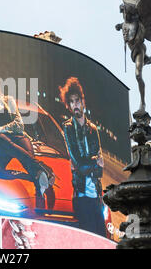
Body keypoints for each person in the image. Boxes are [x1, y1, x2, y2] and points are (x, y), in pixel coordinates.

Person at [0, 65, 55, 208]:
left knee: (27, 148)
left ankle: (39, 192)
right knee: (1, 140)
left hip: (16, 138)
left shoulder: (8, 100)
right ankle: (43, 170)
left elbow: (19, 125)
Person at [59, 77, 106, 236]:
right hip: (81, 195)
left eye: (77, 101)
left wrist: (91, 166)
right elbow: (79, 163)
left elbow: (100, 171)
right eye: (71, 102)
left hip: (96, 196)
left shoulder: (93, 129)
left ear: (82, 102)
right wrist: (94, 164)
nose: (75, 105)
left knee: (101, 238)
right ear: (68, 105)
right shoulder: (68, 128)